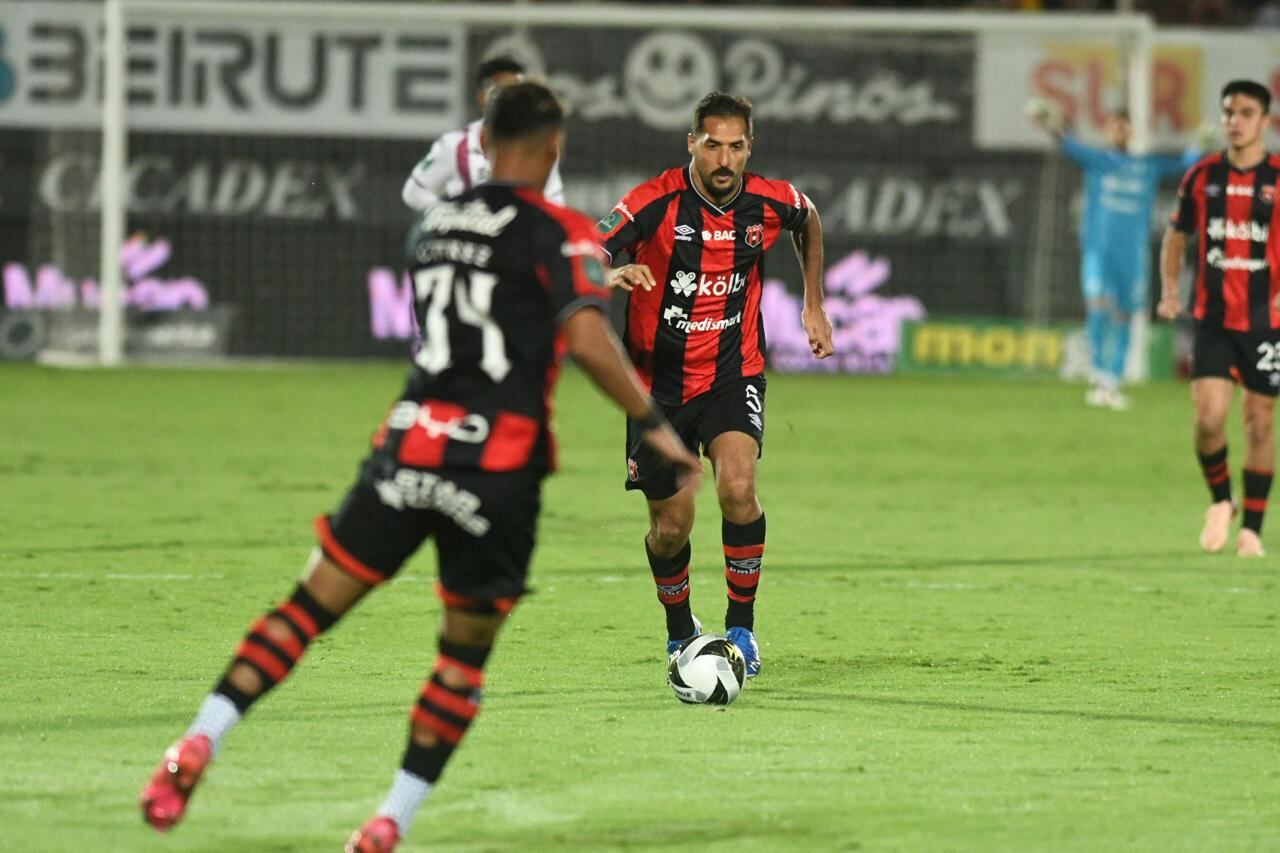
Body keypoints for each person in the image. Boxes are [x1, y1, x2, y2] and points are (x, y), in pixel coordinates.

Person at [139, 82, 701, 853]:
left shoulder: (431, 225)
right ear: (552, 148)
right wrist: (652, 422)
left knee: (304, 612)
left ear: (483, 138)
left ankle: (200, 737)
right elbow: (582, 335)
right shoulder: (558, 230)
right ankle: (387, 822)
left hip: (407, 448)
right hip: (496, 471)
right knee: (460, 661)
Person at [598, 92, 834, 678]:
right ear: (691, 145)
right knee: (671, 527)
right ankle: (681, 631)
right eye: (712, 146)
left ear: (749, 147)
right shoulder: (652, 203)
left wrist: (814, 303)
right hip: (657, 389)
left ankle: (741, 631)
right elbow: (587, 248)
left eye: (735, 146)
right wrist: (609, 270)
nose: (724, 159)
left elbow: (809, 219)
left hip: (734, 372)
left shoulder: (769, 200)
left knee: (737, 486)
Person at [1157, 78, 1280, 558]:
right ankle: (1221, 501)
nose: (1235, 121)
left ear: (1265, 122)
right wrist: (1170, 292)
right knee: (1209, 421)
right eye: (1229, 112)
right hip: (1212, 317)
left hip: (1267, 320)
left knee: (1259, 422)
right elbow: (1176, 235)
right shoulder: (1202, 176)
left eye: (1246, 112)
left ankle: (1252, 528)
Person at [1030, 101, 1201, 410]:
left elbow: (1187, 164)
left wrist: (1203, 144)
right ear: (1106, 130)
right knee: (1098, 310)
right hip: (1099, 253)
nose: (1119, 130)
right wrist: (1049, 120)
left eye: (1125, 125)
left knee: (1123, 318)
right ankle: (1098, 378)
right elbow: (1067, 143)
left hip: (1133, 258)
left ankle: (1113, 382)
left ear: (1131, 131)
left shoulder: (1147, 166)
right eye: (1114, 125)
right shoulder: (1095, 160)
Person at [402, 56, 564, 212]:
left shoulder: (537, 146)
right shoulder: (455, 145)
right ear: (481, 97)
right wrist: (452, 215)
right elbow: (414, 192)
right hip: (468, 238)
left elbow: (555, 202)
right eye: (501, 92)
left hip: (519, 238)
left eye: (516, 92)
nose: (509, 100)